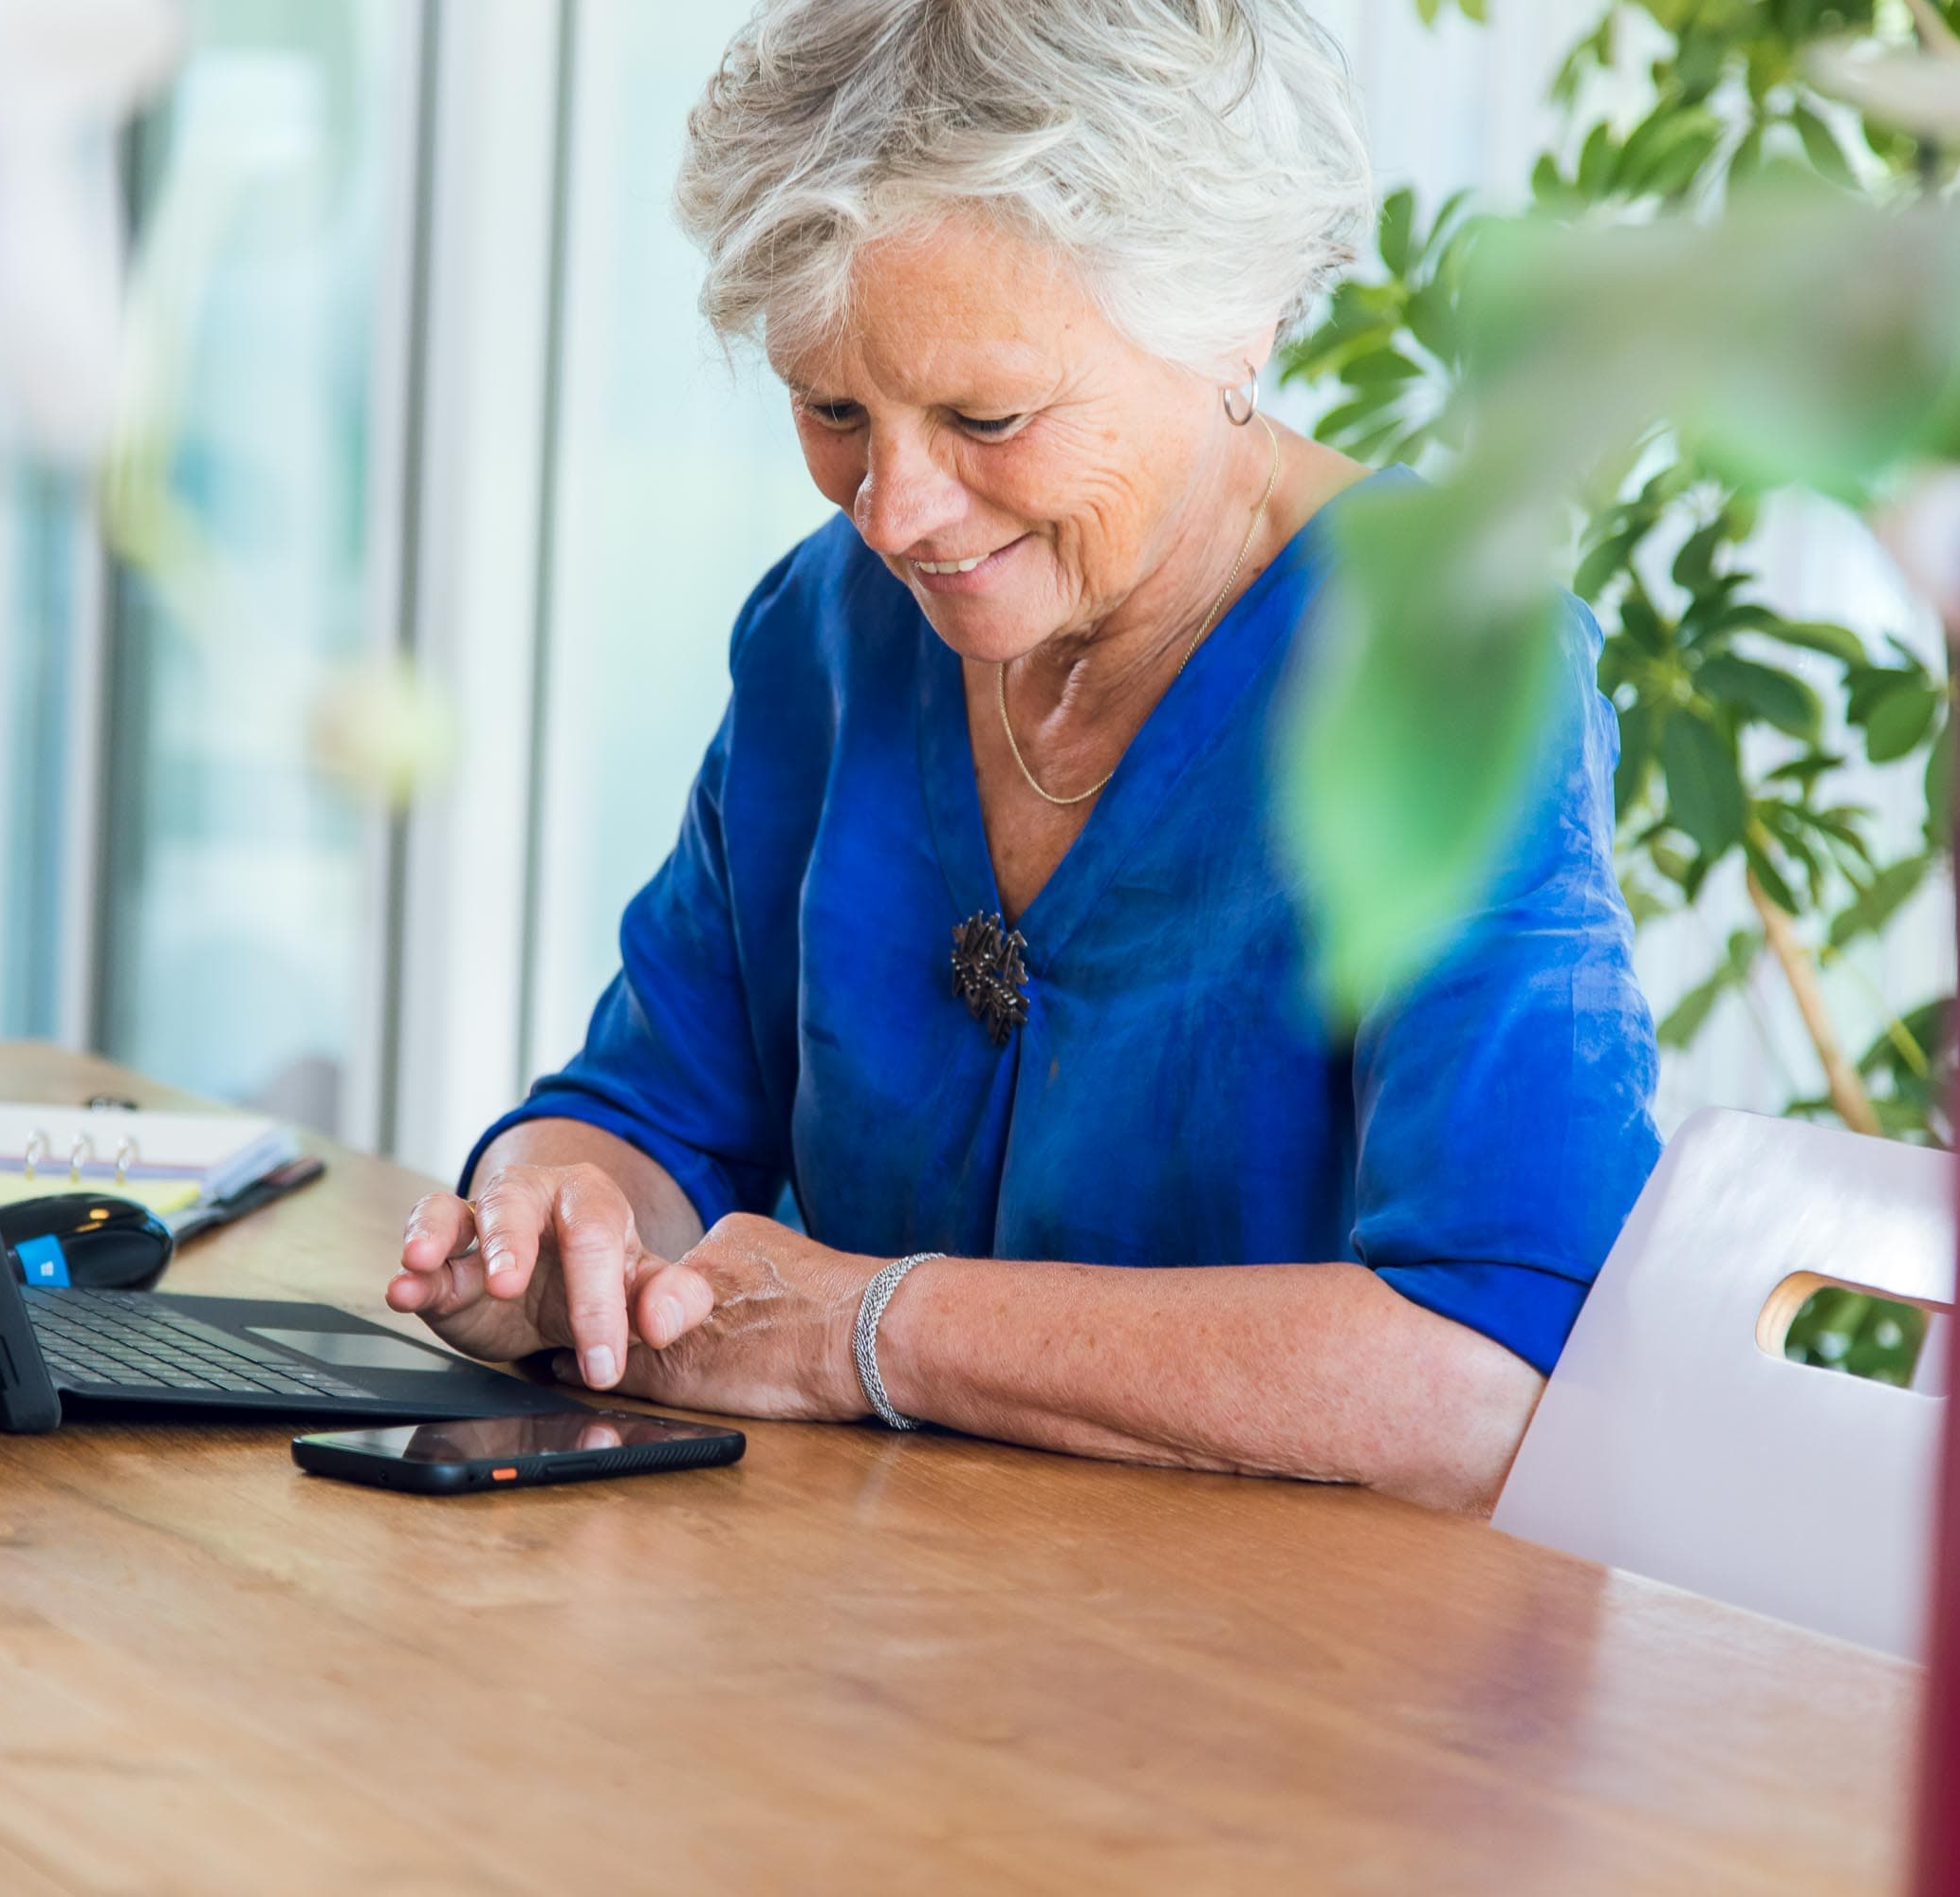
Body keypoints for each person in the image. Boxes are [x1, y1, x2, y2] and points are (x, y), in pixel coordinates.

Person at [387, 0, 1658, 1511]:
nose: (898, 510)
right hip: (859, 1623)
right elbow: (653, 1108)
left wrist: (868, 1332)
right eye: (831, 407)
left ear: (1231, 323)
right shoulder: (827, 626)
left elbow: (1494, 1367)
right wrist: (557, 1217)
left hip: (1292, 1689)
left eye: (989, 415)